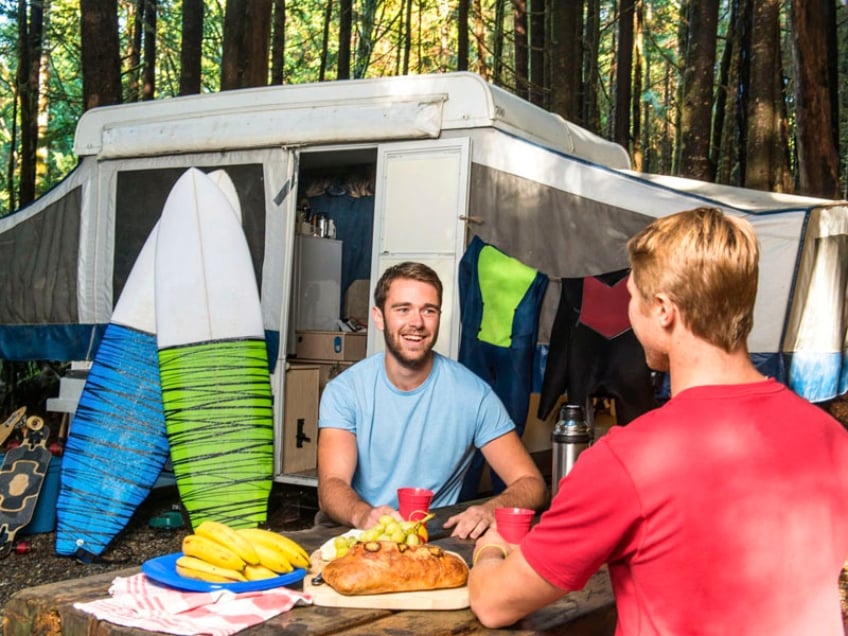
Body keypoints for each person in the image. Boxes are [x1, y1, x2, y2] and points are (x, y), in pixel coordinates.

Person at [468, 208, 848, 634]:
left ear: (664, 310)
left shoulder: (628, 459)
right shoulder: (833, 438)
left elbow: (496, 604)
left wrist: (492, 550)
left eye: (632, 297)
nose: (629, 311)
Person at [316, 261, 547, 539]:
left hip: (432, 532)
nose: (417, 322)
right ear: (379, 317)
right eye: (403, 309)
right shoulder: (345, 391)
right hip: (354, 526)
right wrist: (363, 514)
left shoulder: (474, 395)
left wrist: (490, 509)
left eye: (429, 310)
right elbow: (332, 484)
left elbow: (532, 483)